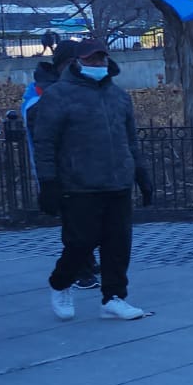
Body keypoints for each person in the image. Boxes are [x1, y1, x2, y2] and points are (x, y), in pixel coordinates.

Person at [32, 41, 152, 322]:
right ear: (77, 62)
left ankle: (114, 297)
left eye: (101, 60)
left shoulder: (119, 96)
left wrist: (141, 174)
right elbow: (45, 143)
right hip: (79, 183)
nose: (98, 65)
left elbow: (130, 140)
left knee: (118, 245)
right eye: (91, 60)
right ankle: (60, 283)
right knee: (81, 243)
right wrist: (48, 182)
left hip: (117, 181)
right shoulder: (58, 95)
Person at [25, 41, 98, 293]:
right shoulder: (42, 94)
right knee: (76, 225)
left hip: (86, 165)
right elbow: (43, 137)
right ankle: (79, 270)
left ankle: (86, 262)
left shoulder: (81, 85)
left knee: (88, 221)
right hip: (63, 170)